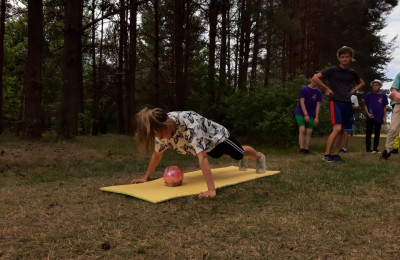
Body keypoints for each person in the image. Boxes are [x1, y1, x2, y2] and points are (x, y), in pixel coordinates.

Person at [131, 107, 266, 197]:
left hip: (219, 138)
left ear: (167, 124)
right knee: (224, 155)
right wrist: (145, 178)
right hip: (207, 146)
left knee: (239, 153)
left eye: (160, 135)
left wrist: (211, 190)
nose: (160, 139)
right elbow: (157, 154)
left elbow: (202, 158)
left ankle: (259, 157)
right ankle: (244, 157)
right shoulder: (160, 130)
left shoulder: (189, 122)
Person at [312, 46, 365, 162]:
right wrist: (326, 88)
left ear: (351, 58)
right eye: (342, 57)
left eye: (347, 57)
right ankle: (326, 155)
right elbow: (316, 78)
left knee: (342, 130)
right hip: (335, 101)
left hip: (347, 103)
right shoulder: (332, 70)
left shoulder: (352, 72)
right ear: (339, 59)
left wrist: (352, 91)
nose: (345, 59)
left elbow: (362, 83)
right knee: (337, 128)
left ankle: (336, 154)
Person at [294, 76, 323, 154]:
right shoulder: (304, 89)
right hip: (300, 112)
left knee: (309, 131)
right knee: (302, 129)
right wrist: (305, 114)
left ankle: (306, 149)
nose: (315, 82)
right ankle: (301, 149)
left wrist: (316, 117)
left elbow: (318, 105)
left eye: (317, 80)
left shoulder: (318, 92)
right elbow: (302, 102)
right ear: (310, 79)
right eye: (314, 80)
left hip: (311, 114)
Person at [364, 79, 388, 153]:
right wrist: (368, 113)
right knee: (368, 133)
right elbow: (365, 104)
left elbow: (384, 107)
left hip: (379, 117)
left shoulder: (383, 96)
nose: (374, 86)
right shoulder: (368, 95)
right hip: (370, 116)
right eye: (373, 85)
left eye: (376, 85)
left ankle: (375, 149)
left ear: (380, 86)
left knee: (377, 133)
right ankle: (368, 149)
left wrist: (385, 118)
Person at [380, 72, 400, 160]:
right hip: (399, 104)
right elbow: (393, 89)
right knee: (393, 128)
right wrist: (397, 95)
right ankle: (387, 150)